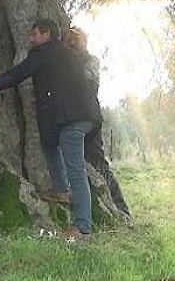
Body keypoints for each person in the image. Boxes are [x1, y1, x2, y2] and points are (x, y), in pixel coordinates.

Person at [0, 18, 101, 238]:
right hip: (85, 115)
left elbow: (15, 75)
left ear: (47, 34)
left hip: (73, 119)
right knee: (49, 143)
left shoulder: (42, 53)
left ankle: (83, 228)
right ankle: (60, 189)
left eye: (35, 34)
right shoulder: (69, 54)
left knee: (76, 171)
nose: (31, 39)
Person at [66, 27, 132, 220]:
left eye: (75, 40)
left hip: (89, 119)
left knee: (99, 165)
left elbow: (87, 79)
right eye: (68, 39)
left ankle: (122, 211)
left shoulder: (91, 61)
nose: (71, 43)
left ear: (84, 42)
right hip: (70, 120)